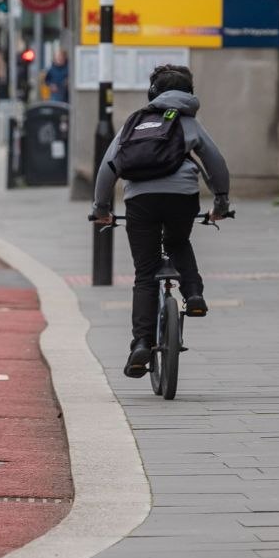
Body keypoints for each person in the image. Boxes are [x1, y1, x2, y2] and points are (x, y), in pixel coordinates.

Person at [91, 64, 231, 378]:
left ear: (153, 93)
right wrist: (221, 203)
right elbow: (215, 163)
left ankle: (141, 342)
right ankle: (193, 294)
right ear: (189, 93)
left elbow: (107, 168)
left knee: (145, 273)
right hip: (182, 197)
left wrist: (101, 208)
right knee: (178, 240)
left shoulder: (135, 122)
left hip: (139, 201)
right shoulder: (188, 122)